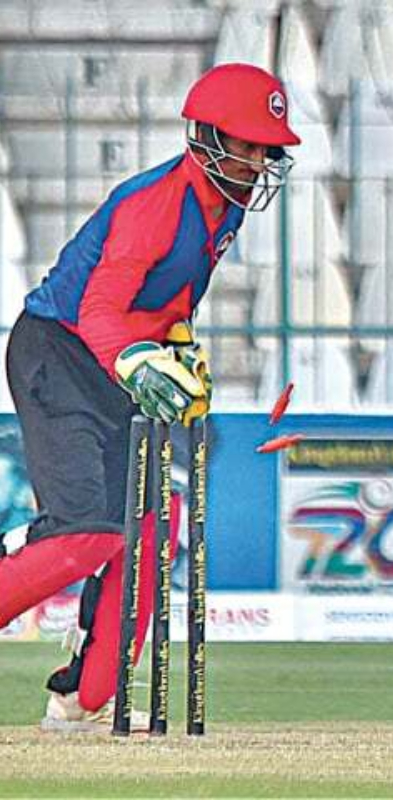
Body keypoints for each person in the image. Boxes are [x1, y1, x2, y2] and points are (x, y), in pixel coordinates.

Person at [0, 62, 300, 731]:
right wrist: (140, 364)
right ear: (205, 136)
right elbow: (101, 309)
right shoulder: (156, 204)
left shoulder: (224, 208)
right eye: (246, 145)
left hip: (110, 366)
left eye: (265, 149)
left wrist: (179, 348)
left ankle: (83, 701)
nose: (258, 161)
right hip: (60, 351)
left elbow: (167, 300)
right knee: (84, 535)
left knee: (148, 531)